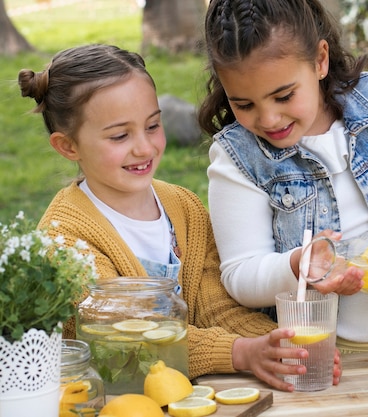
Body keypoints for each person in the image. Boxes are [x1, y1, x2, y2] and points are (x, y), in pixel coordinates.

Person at [18, 43, 342, 392]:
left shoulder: (183, 207)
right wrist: (239, 352)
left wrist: (282, 345)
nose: (144, 147)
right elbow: (129, 342)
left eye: (153, 125)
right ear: (68, 146)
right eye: (120, 136)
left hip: (187, 394)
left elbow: (215, 307)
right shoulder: (65, 238)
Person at [198, 0, 368, 352]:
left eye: (283, 96)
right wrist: (299, 265)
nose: (267, 119)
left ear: (320, 60)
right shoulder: (239, 156)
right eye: (245, 104)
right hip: (323, 352)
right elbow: (240, 274)